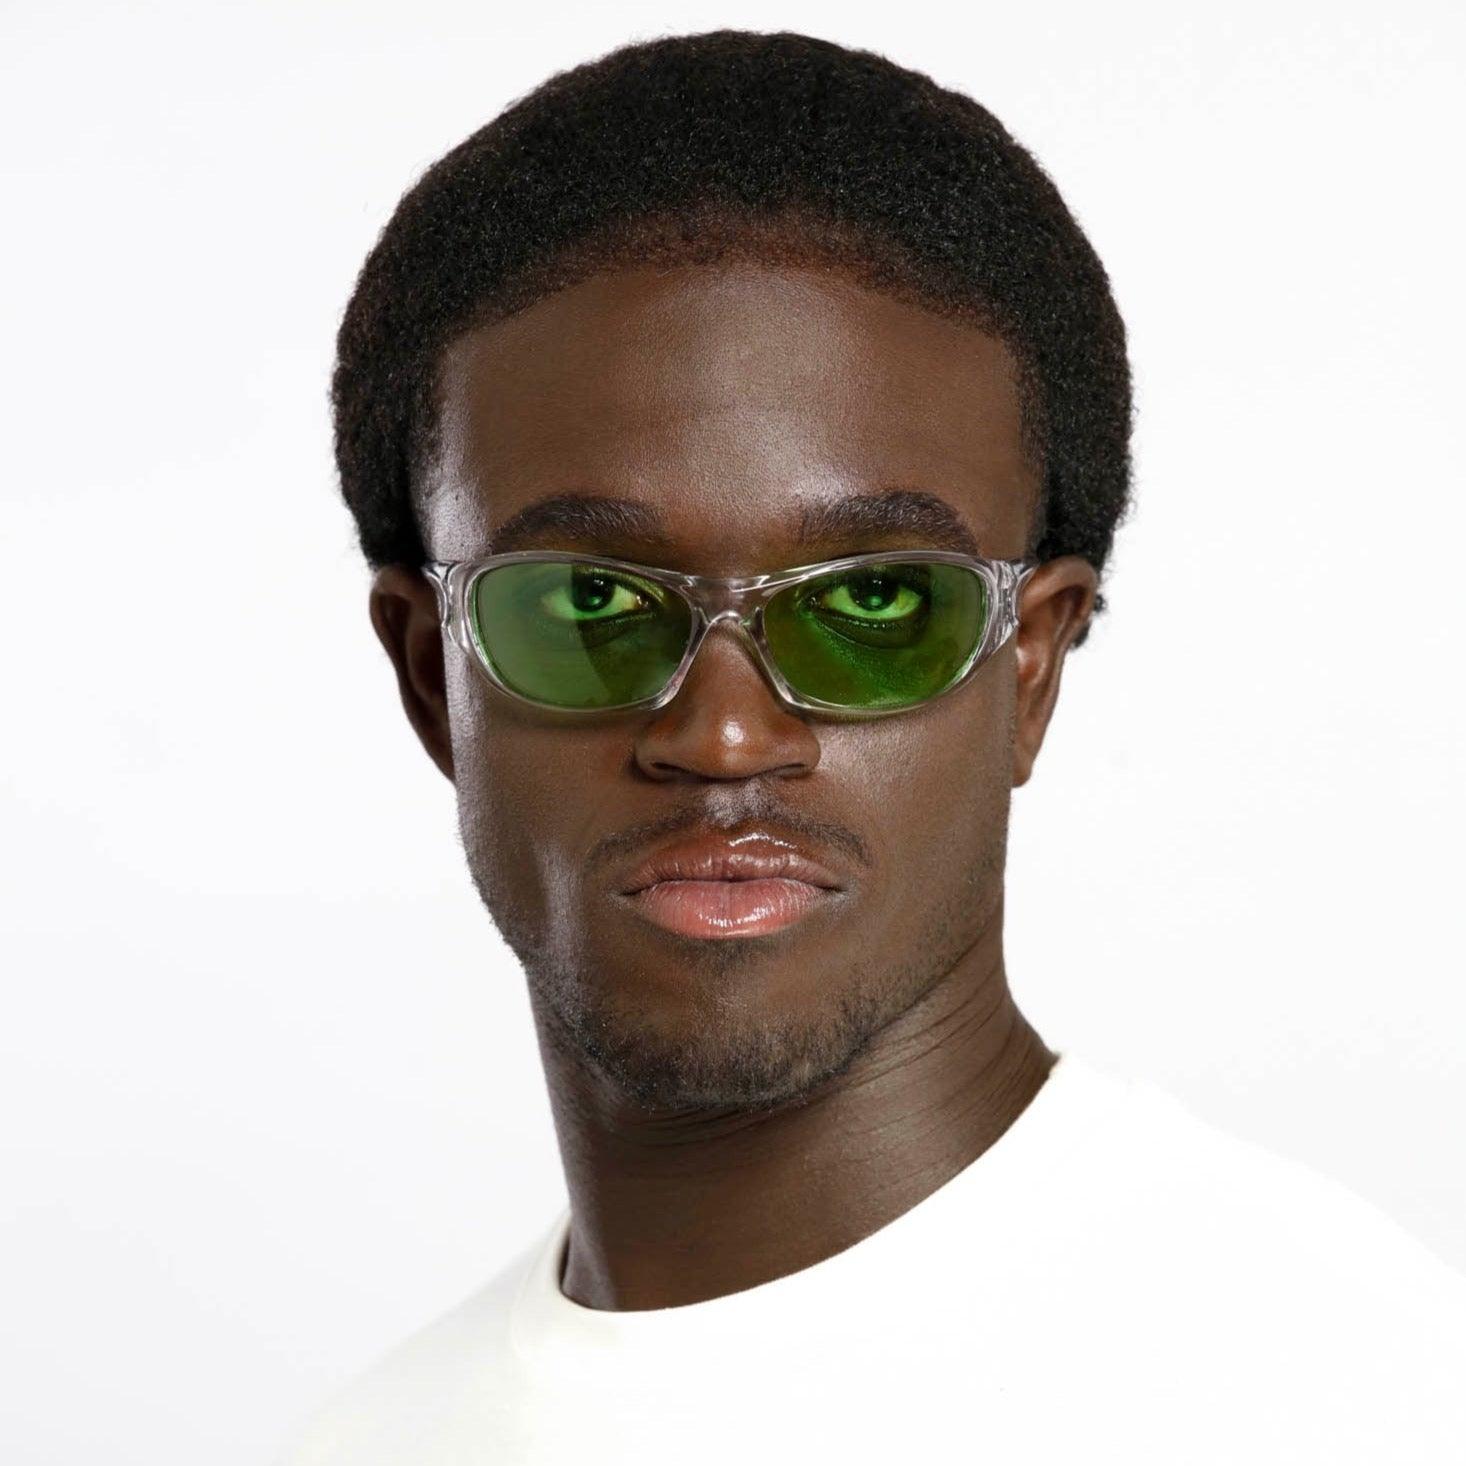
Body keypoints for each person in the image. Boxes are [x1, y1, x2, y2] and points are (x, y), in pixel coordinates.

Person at [281, 28, 1466, 1465]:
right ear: (430, 675)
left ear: (1029, 666)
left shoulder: (1355, 1393)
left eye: (873, 605)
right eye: (589, 603)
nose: (725, 734)